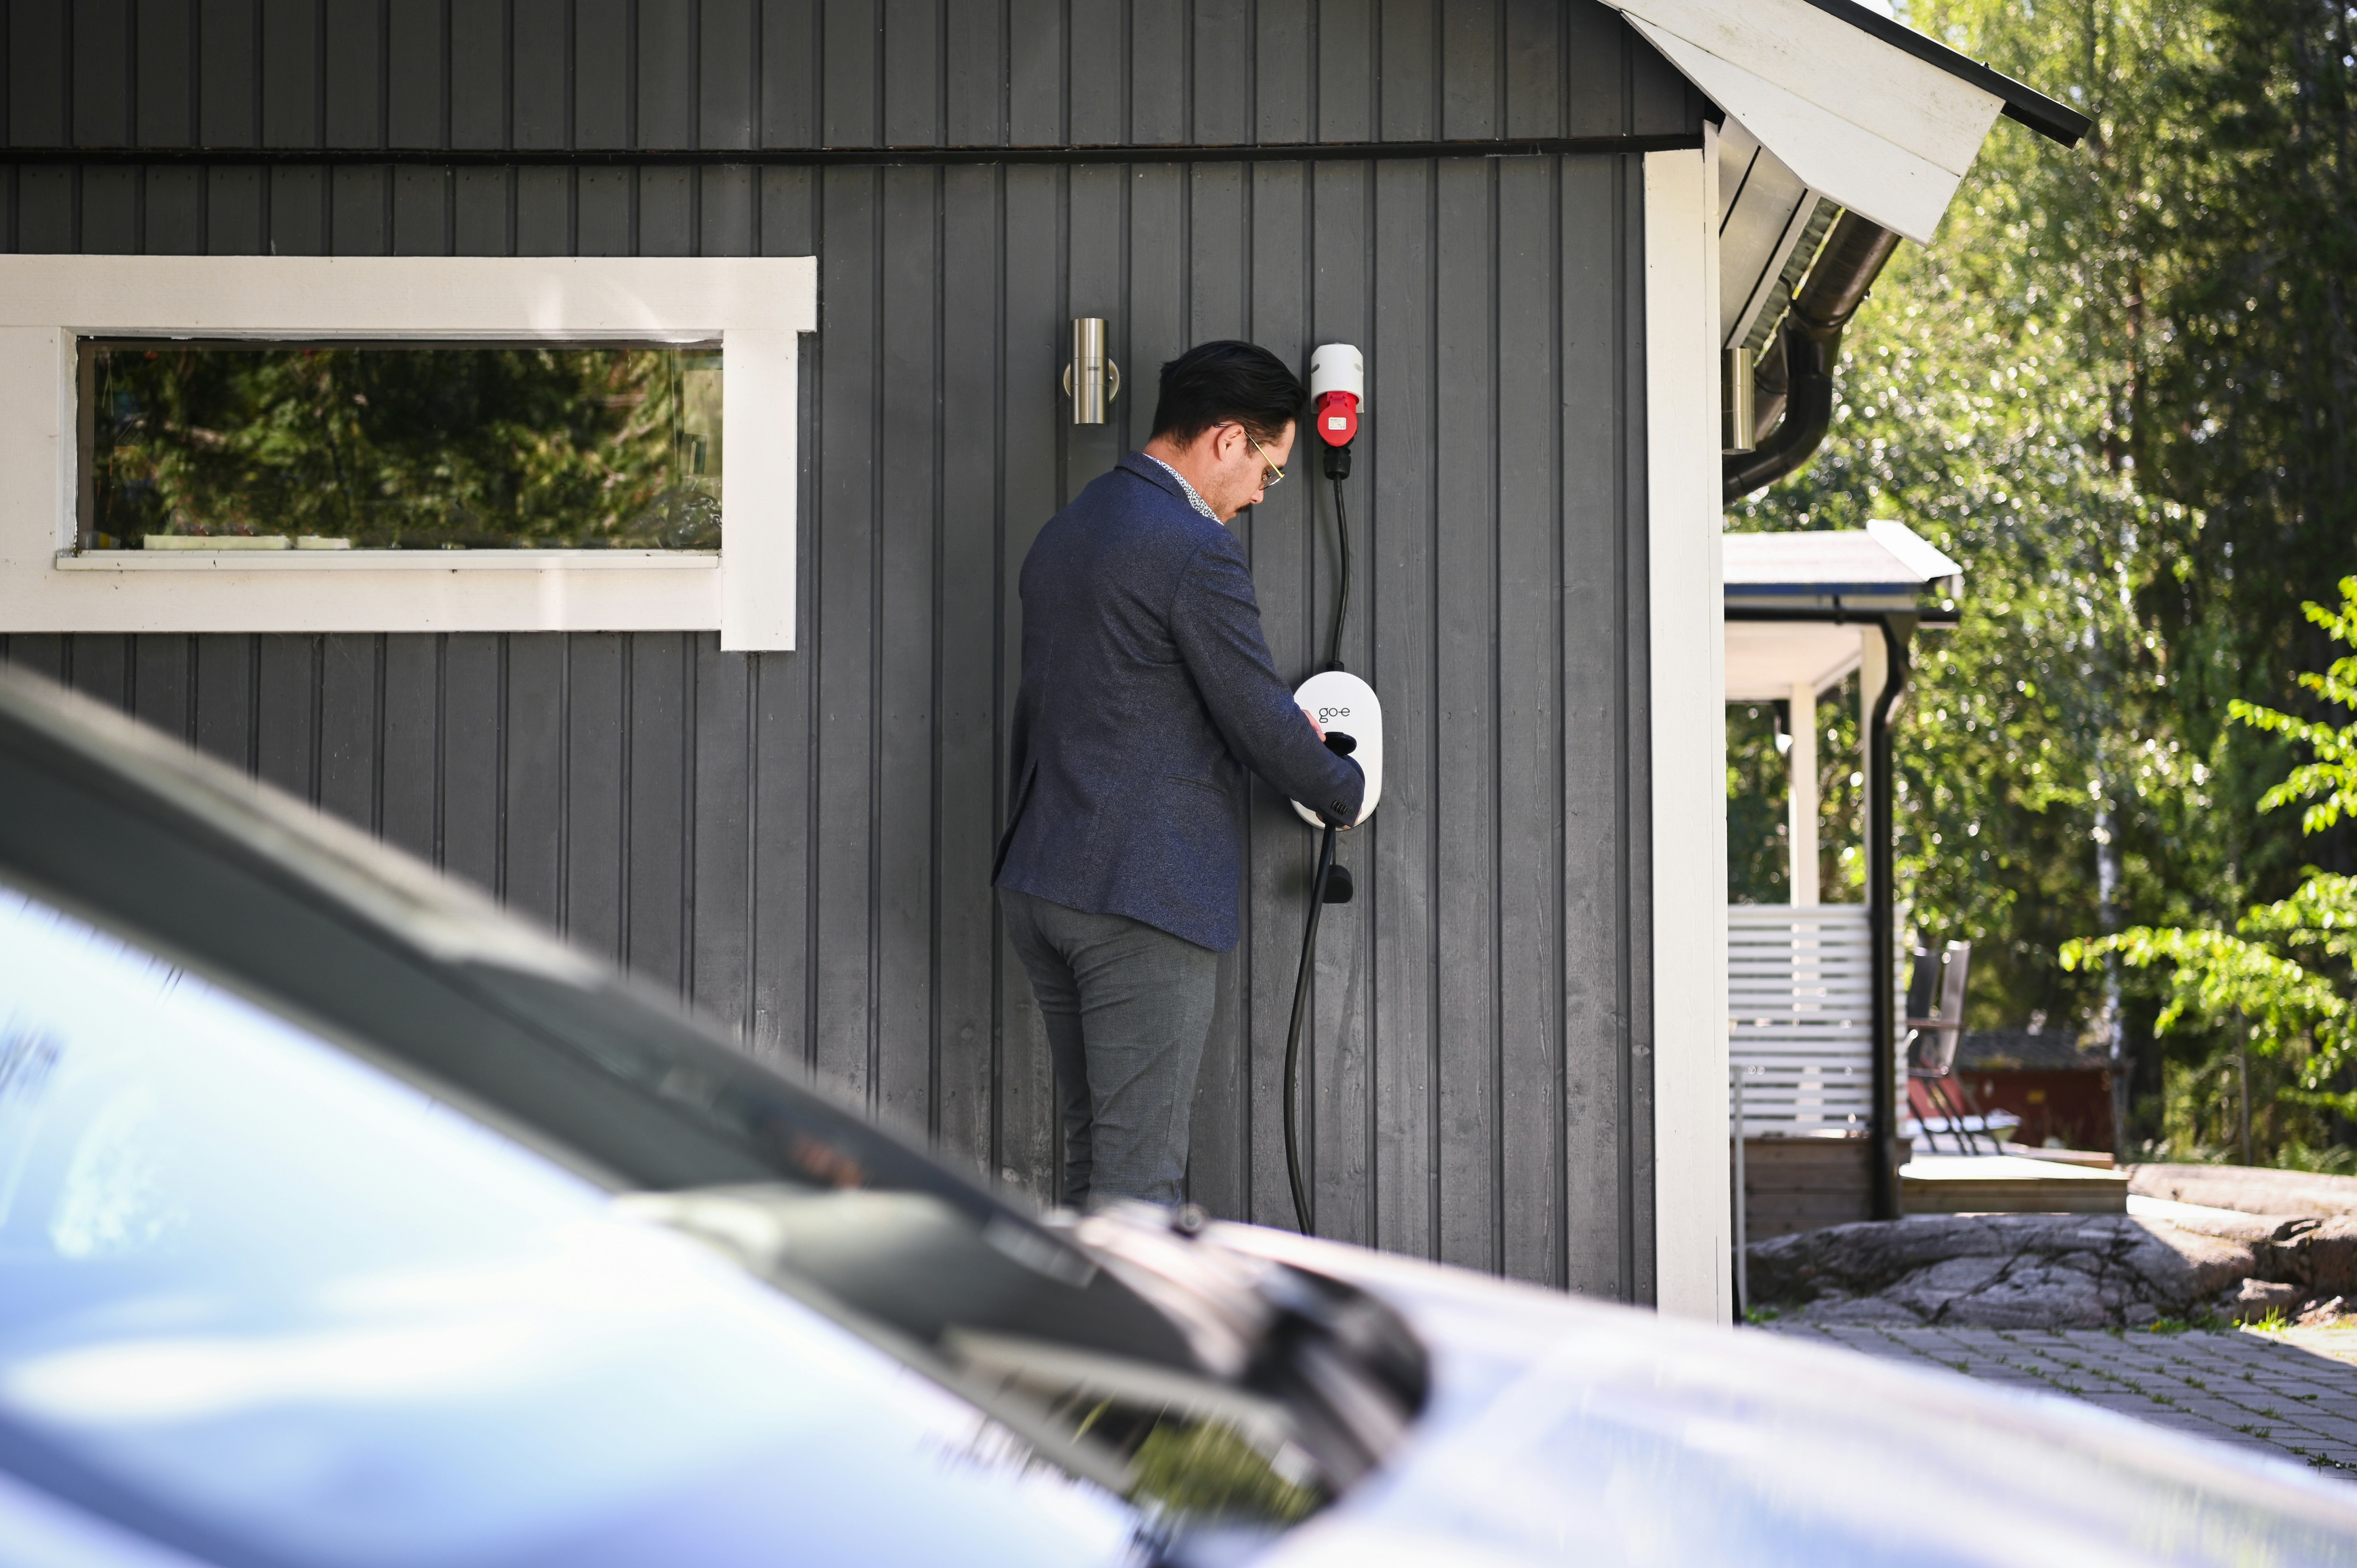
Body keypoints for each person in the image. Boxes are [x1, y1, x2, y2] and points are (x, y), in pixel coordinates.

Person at [993, 340, 1364, 1210]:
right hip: (1140, 895)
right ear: (1228, 439)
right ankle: (1119, 1350)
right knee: (1140, 1187)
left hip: (1043, 875)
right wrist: (1342, 789)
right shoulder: (1192, 548)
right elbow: (1256, 713)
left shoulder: (1070, 528)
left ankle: (1078, 1348)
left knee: (1097, 1163)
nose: (1261, 496)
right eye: (1269, 471)